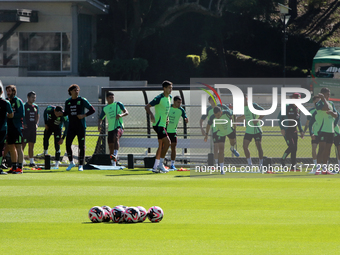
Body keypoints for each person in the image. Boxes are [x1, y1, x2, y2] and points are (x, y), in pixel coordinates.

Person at [64, 84, 95, 171]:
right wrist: (60, 113)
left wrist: (84, 115)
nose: (76, 91)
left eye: (77, 90)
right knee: (67, 144)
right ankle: (71, 163)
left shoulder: (82, 100)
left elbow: (92, 109)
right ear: (70, 92)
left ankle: (81, 165)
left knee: (82, 146)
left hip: (81, 126)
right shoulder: (68, 102)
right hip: (71, 127)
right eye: (74, 90)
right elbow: (66, 113)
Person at [200, 95, 239, 165]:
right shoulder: (208, 110)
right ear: (209, 101)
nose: (213, 101)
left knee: (233, 142)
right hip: (216, 130)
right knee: (216, 147)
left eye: (214, 99)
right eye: (212, 100)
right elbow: (202, 120)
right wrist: (202, 129)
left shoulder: (222, 106)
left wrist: (233, 122)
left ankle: (232, 148)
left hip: (226, 128)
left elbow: (231, 112)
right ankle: (217, 164)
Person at [145, 80, 172, 173]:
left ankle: (155, 167)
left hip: (163, 124)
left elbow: (166, 110)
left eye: (171, 88)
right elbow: (147, 106)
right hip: (158, 125)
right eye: (169, 88)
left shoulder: (170, 97)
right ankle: (161, 164)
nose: (171, 89)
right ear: (164, 88)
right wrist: (151, 115)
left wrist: (167, 118)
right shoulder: (159, 98)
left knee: (161, 145)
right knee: (168, 143)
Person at [98, 92, 128, 166]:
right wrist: (99, 125)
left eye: (113, 97)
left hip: (119, 126)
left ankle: (115, 155)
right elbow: (100, 118)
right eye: (110, 97)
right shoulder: (105, 108)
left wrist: (121, 115)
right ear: (107, 98)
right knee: (110, 144)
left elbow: (126, 112)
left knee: (116, 137)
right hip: (110, 128)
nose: (112, 99)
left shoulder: (118, 104)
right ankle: (113, 163)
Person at [204, 106, 236, 174]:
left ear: (221, 112)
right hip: (220, 133)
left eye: (218, 115)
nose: (217, 116)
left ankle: (232, 148)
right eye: (216, 115)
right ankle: (222, 169)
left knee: (233, 142)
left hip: (229, 130)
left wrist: (234, 124)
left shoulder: (227, 112)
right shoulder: (212, 117)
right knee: (221, 150)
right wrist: (206, 134)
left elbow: (234, 113)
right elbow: (208, 125)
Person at [313, 87, 337, 174]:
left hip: (330, 130)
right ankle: (318, 169)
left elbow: (336, 115)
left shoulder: (331, 103)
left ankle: (325, 169)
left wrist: (331, 113)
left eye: (329, 94)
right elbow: (326, 107)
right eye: (327, 94)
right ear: (323, 95)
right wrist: (323, 99)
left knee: (328, 150)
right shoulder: (319, 103)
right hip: (322, 129)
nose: (329, 96)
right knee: (321, 149)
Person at [236, 95, 264, 170]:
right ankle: (249, 164)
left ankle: (261, 164)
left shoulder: (253, 105)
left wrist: (257, 120)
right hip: (249, 130)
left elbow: (263, 112)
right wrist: (237, 118)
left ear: (246, 99)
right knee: (245, 146)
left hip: (256, 130)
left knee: (259, 147)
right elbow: (246, 115)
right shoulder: (244, 107)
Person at [278, 93, 305, 171]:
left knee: (294, 149)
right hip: (287, 130)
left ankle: (293, 167)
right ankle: (282, 159)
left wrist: (301, 131)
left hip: (294, 131)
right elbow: (279, 118)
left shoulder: (298, 109)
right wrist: (282, 128)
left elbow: (298, 120)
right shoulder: (286, 107)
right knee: (291, 146)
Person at [5, 85, 25, 174]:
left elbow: (22, 113)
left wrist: (12, 116)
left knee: (18, 147)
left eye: (9, 91)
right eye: (7, 91)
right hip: (9, 128)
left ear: (14, 92)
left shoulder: (18, 101)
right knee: (11, 147)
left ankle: (20, 168)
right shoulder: (7, 101)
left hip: (17, 127)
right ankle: (14, 166)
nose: (8, 93)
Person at [166, 96, 188, 170]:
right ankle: (159, 164)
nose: (179, 104)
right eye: (178, 102)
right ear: (174, 102)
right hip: (165, 130)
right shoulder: (168, 108)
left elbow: (184, 116)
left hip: (173, 131)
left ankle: (172, 164)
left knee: (173, 147)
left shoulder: (181, 110)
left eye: (180, 102)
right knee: (163, 148)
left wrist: (185, 119)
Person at [22, 91, 39, 167]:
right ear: (28, 97)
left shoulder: (35, 106)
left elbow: (37, 116)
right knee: (23, 145)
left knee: (31, 145)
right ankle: (21, 160)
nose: (34, 99)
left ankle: (31, 162)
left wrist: (36, 124)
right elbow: (22, 116)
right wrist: (23, 124)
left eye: (35, 97)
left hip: (33, 128)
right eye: (32, 97)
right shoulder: (24, 106)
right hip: (26, 129)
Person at [0, 85, 13, 175]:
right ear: (1, 92)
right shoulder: (5, 102)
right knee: (0, 148)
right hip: (1, 128)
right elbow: (11, 114)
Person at [304, 96, 320, 167]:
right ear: (313, 102)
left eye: (319, 101)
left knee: (324, 149)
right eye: (316, 102)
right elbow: (308, 123)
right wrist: (304, 132)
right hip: (315, 133)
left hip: (324, 132)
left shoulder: (324, 110)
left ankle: (324, 165)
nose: (318, 103)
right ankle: (315, 165)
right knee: (314, 148)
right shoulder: (311, 111)